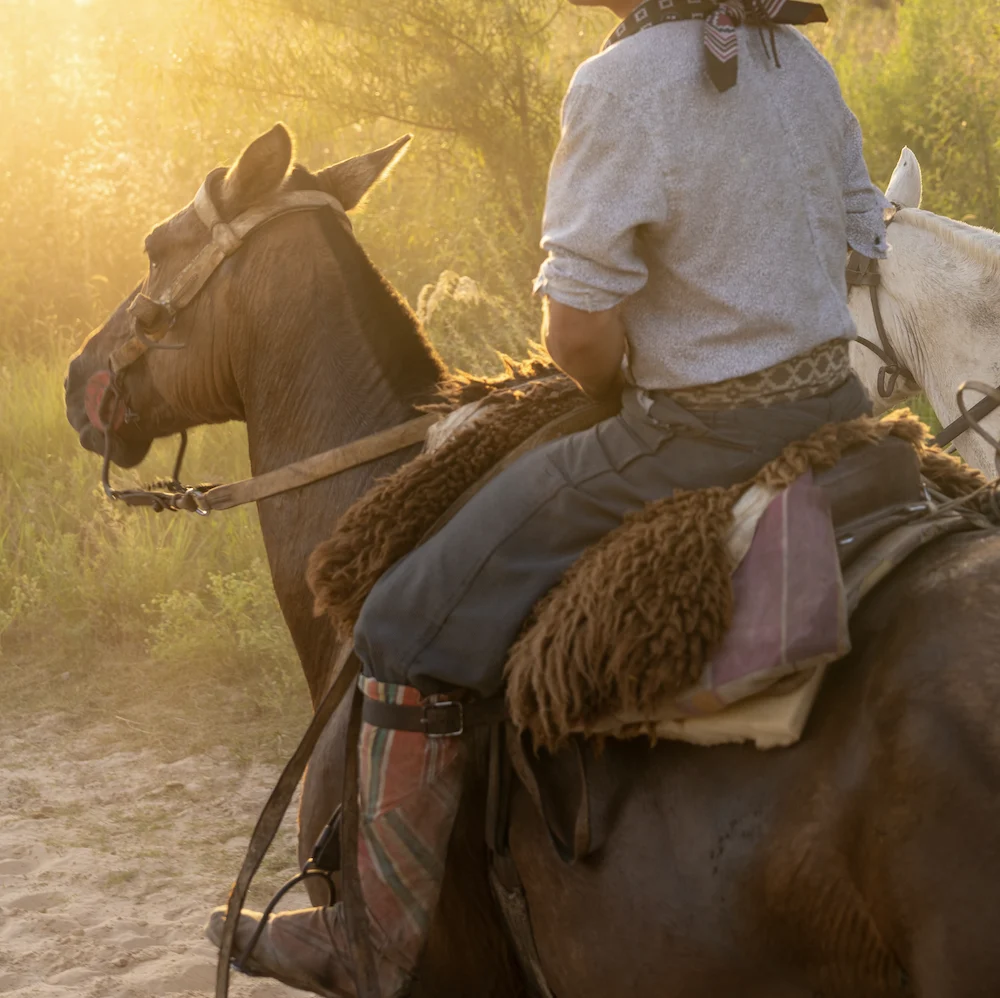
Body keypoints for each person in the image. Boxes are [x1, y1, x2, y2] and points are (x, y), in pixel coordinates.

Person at [207, 1, 889, 993]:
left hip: (693, 431)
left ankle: (370, 934)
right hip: (834, 407)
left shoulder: (616, 82)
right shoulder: (804, 66)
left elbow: (576, 341)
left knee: (400, 617)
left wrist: (641, 377)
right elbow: (859, 240)